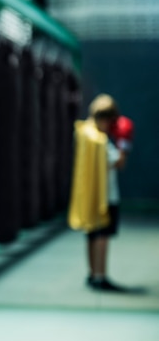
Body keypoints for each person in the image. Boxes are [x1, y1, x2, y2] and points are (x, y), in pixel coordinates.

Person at [68, 93, 132, 292]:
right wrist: (124, 143)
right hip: (105, 196)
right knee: (102, 236)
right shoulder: (101, 142)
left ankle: (92, 273)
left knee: (91, 234)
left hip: (88, 195)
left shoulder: (83, 132)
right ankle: (100, 275)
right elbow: (119, 163)